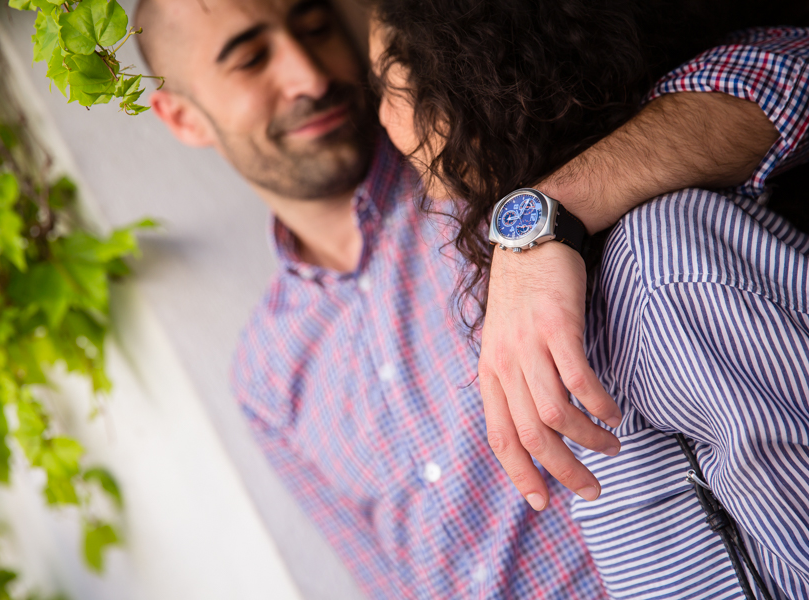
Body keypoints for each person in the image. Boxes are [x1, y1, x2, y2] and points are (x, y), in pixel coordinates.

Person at [134, 0, 799, 597]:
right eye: (250, 59)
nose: (309, 75)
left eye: (315, 27)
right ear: (180, 114)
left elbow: (784, 67)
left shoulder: (480, 155)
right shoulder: (264, 373)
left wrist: (541, 220)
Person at [368, 0, 809, 598]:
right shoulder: (577, 282)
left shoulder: (667, 270)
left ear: (468, 94)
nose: (383, 120)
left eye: (388, 84)